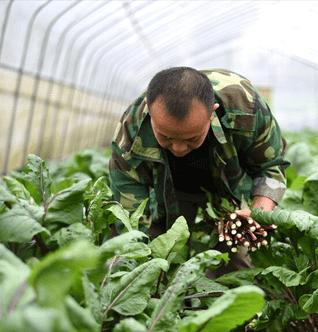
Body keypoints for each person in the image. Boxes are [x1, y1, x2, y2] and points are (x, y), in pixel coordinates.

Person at [108, 67, 290, 276]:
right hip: (167, 189)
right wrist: (136, 263)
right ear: (149, 109)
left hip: (229, 187)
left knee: (237, 267)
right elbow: (129, 214)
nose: (178, 148)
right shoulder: (131, 131)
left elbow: (271, 165)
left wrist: (259, 212)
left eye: (191, 138)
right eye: (165, 137)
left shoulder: (245, 105)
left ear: (212, 112)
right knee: (156, 261)